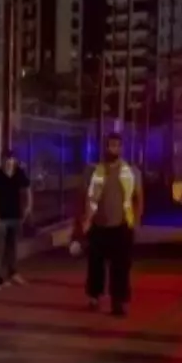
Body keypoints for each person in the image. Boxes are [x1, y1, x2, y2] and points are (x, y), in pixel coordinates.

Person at [78, 133, 143, 316]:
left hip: (122, 226)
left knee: (121, 267)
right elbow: (86, 197)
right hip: (98, 225)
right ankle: (94, 295)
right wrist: (84, 220)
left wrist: (136, 221)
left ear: (122, 148)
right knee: (95, 264)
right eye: (109, 145)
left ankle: (119, 301)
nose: (112, 149)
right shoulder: (93, 171)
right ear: (104, 147)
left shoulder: (131, 171)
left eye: (116, 145)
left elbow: (138, 197)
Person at [0, 149, 32, 285]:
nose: (9, 163)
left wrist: (28, 207)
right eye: (6, 160)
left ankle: (12, 272)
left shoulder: (19, 174)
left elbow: (27, 190)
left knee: (12, 246)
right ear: (2, 161)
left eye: (12, 160)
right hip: (0, 217)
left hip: (15, 215)